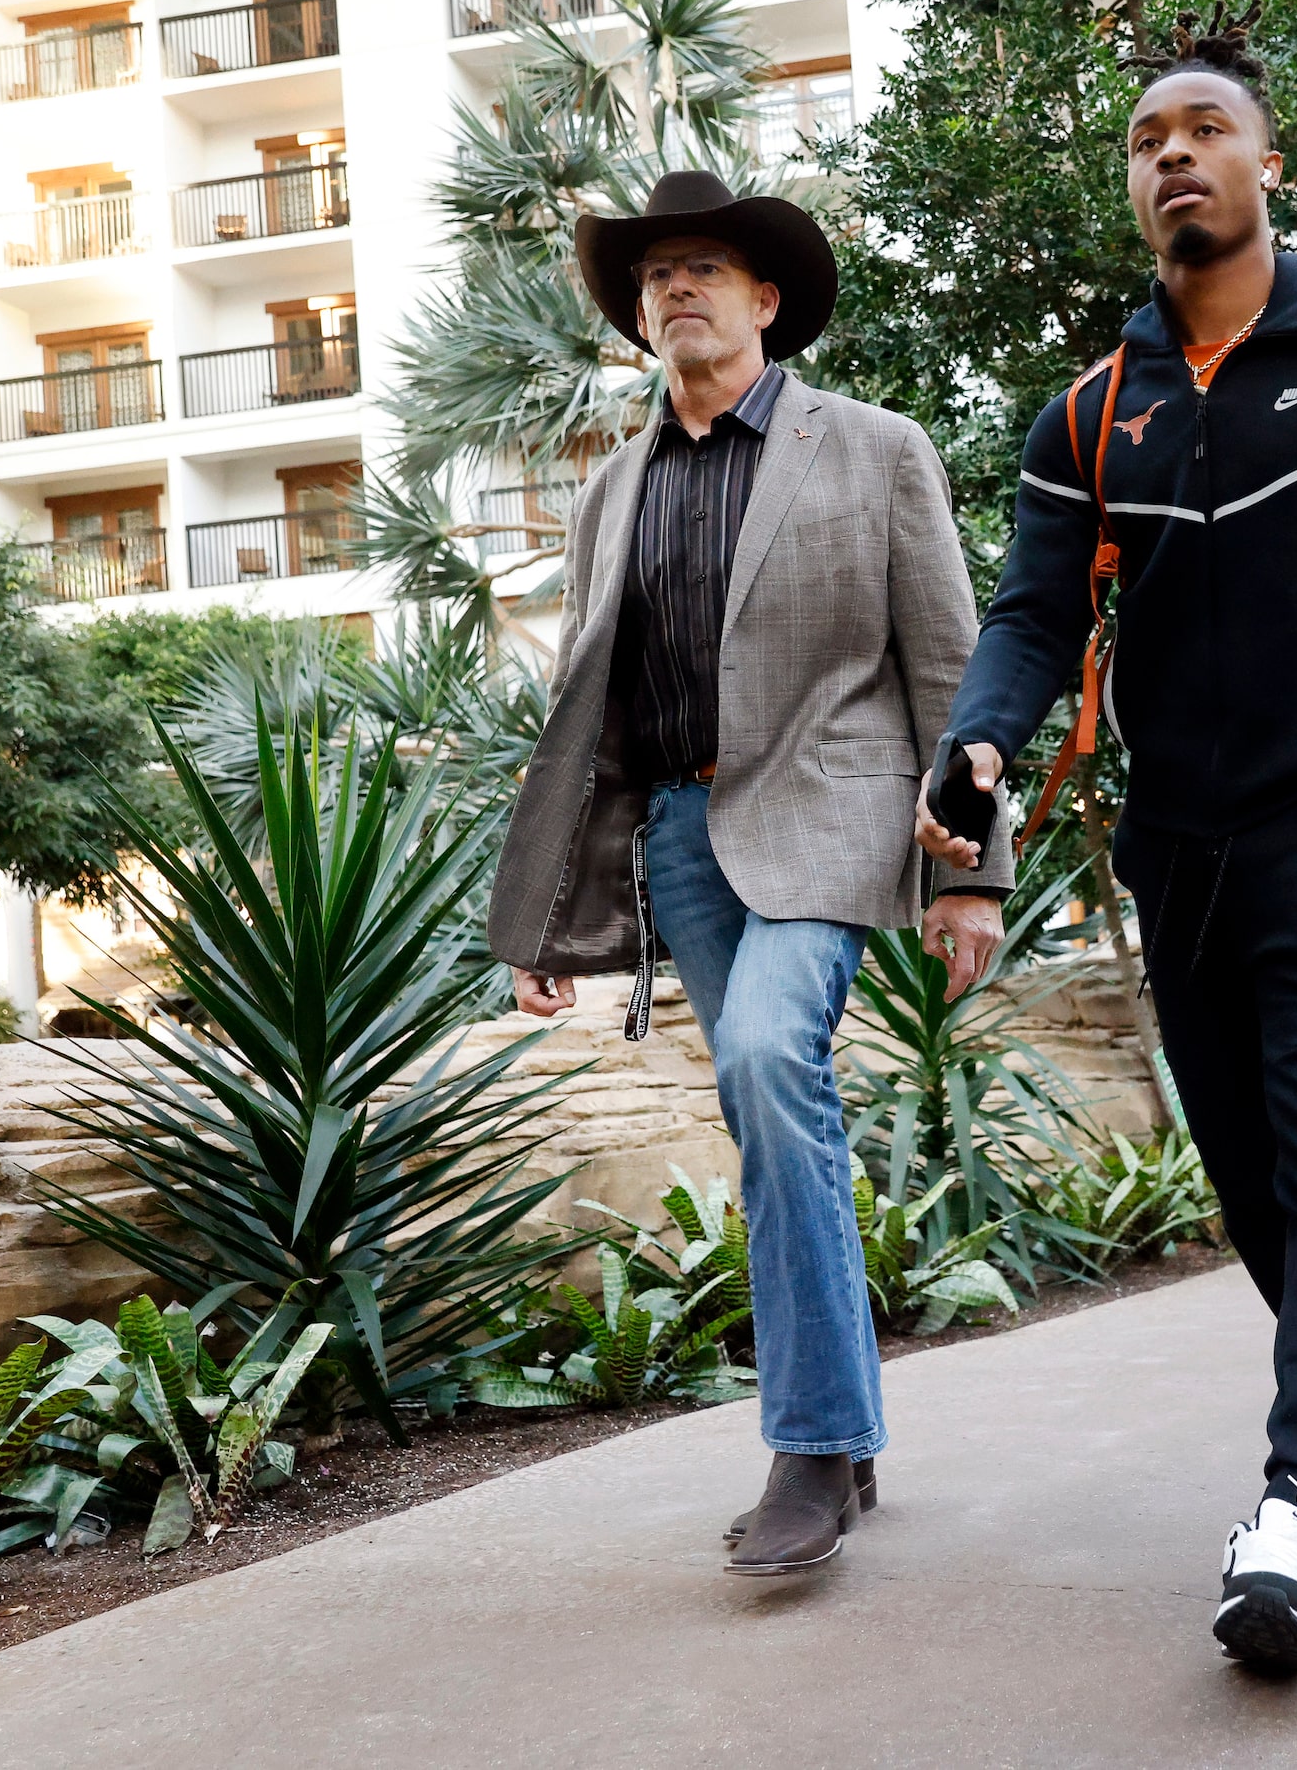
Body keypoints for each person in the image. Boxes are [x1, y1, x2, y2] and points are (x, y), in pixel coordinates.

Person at [915, 12, 1297, 1677]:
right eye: (1144, 138)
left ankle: (1289, 1501)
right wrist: (979, 740)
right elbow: (1034, 616)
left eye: (1202, 127)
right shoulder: (1090, 413)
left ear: (1266, 161)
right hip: (1173, 851)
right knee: (1251, 1180)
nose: (1171, 152)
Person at [487, 172, 1009, 1577]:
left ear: (765, 299)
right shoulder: (614, 487)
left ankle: (810, 1446)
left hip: (834, 811)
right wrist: (537, 907)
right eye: (657, 277)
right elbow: (584, 708)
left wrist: (977, 875)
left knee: (775, 1063)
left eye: (706, 267)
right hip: (682, 839)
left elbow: (947, 667)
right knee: (769, 1114)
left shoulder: (875, 448)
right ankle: (844, 1432)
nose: (677, 290)